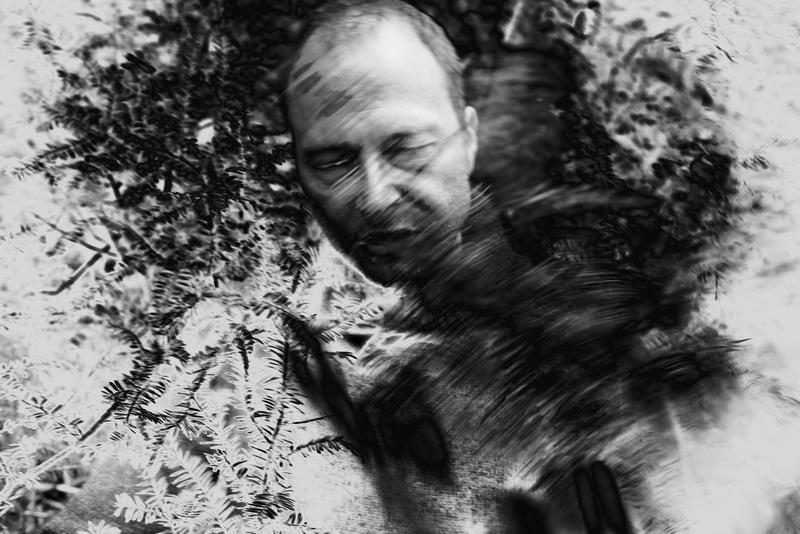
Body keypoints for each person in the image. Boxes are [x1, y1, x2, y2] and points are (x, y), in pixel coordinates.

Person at [283, 1, 800, 533]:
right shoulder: (378, 373)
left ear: (469, 136)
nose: (374, 196)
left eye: (407, 148)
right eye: (332, 162)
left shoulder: (602, 277)